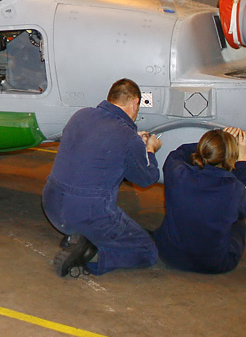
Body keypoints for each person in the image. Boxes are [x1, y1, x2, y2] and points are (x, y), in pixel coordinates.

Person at [42, 78, 162, 276]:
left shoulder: (80, 115)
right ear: (135, 103)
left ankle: (79, 237)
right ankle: (91, 254)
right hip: (86, 213)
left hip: (52, 204)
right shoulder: (128, 138)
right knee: (146, 252)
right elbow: (146, 178)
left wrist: (133, 144)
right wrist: (149, 150)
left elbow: (96, 147)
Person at [154, 127, 246, 274]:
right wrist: (242, 158)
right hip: (214, 265)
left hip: (169, 256)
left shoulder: (178, 173)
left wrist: (213, 144)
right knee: (238, 219)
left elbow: (179, 153)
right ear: (232, 157)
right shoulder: (234, 189)